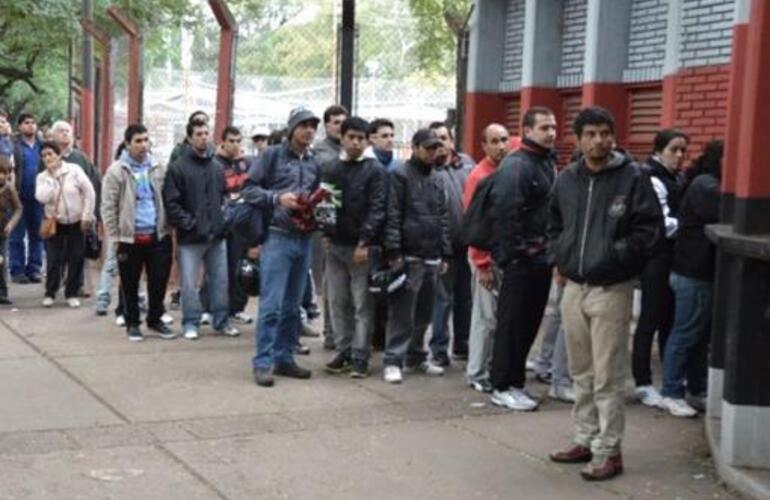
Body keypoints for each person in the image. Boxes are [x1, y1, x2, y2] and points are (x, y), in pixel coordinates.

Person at [547, 106, 662, 481]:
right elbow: (553, 225)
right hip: (573, 286)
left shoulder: (633, 178)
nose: (598, 140)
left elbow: (649, 231)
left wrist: (615, 257)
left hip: (612, 288)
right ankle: (585, 437)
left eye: (604, 133)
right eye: (590, 134)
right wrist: (561, 258)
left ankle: (609, 450)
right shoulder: (566, 179)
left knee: (607, 375)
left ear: (613, 136)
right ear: (578, 140)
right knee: (581, 371)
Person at [242, 106, 321, 388]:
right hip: (277, 237)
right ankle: (263, 362)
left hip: (304, 238)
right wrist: (278, 198)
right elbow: (248, 189)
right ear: (291, 128)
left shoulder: (314, 162)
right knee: (272, 305)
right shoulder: (271, 156)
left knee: (292, 307)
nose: (309, 130)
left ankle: (284, 357)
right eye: (304, 125)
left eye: (313, 125)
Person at [485, 107, 557, 412]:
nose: (551, 132)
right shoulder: (517, 165)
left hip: (540, 258)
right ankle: (501, 385)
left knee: (528, 324)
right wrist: (516, 254)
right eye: (544, 128)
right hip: (521, 261)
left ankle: (515, 383)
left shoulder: (544, 162)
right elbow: (505, 212)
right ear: (527, 131)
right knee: (511, 324)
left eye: (553, 127)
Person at [381, 128, 451, 384]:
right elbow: (393, 214)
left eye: (436, 148)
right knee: (402, 313)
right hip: (409, 255)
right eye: (428, 147)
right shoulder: (400, 175)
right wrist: (395, 252)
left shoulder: (437, 178)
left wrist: (444, 252)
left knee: (424, 312)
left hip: (431, 255)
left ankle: (417, 355)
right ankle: (393, 360)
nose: (434, 152)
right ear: (415, 147)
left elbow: (442, 217)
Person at [659, 140, 723, 418]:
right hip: (693, 273)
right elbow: (722, 213)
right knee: (686, 334)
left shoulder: (704, 182)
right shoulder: (707, 186)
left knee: (697, 336)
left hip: (695, 272)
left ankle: (695, 390)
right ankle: (671, 392)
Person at [322, 116, 387, 378]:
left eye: (361, 138)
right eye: (352, 137)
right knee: (337, 302)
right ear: (343, 138)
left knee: (362, 305)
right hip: (335, 246)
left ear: (367, 140)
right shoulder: (331, 168)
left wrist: (365, 242)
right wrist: (326, 233)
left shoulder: (375, 170)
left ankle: (360, 356)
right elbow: (325, 202)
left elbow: (377, 208)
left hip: (362, 249)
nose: (356, 143)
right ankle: (344, 351)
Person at [163, 119, 239, 340]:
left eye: (206, 133)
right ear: (189, 137)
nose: (203, 137)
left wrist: (224, 219)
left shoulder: (216, 167)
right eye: (198, 133)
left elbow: (225, 197)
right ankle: (190, 323)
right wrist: (189, 223)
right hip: (191, 237)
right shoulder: (178, 168)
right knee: (188, 283)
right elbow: (171, 202)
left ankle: (222, 321)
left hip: (217, 235)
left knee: (220, 280)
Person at [102, 125, 175, 342]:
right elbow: (108, 207)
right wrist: (115, 238)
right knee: (130, 283)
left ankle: (155, 319)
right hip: (129, 238)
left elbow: (167, 198)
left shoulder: (158, 167)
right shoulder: (117, 171)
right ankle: (133, 323)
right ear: (127, 144)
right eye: (138, 141)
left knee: (159, 281)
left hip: (158, 236)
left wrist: (168, 228)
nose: (143, 145)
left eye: (146, 140)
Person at [633, 129, 689, 408]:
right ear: (659, 150)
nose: (679, 156)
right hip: (656, 256)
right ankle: (642, 382)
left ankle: (671, 376)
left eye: (682, 151)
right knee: (650, 318)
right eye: (674, 149)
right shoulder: (650, 177)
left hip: (674, 256)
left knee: (670, 318)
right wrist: (688, 228)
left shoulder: (676, 177)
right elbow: (661, 221)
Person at [463, 124, 511, 393]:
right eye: (494, 141)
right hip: (484, 257)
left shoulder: (504, 171)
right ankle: (477, 372)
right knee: (485, 318)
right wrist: (481, 264)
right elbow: (475, 224)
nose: (501, 146)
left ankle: (489, 366)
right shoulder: (479, 177)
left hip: (500, 255)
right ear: (483, 145)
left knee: (496, 317)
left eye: (504, 140)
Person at [429, 121, 474, 365]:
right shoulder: (429, 170)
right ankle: (438, 349)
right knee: (442, 299)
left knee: (465, 297)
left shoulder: (466, 164)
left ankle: (463, 344)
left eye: (444, 138)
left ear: (451, 140)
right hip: (441, 247)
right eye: (435, 140)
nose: (441, 144)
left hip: (467, 244)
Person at [35, 141, 96, 308]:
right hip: (55, 222)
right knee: (54, 259)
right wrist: (50, 177)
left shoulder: (74, 170)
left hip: (77, 221)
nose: (48, 158)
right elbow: (42, 197)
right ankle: (50, 292)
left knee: (76, 258)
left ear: (58, 154)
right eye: (44, 155)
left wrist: (87, 215)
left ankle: (71, 293)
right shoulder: (42, 177)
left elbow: (89, 191)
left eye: (51, 154)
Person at [206, 125, 252, 325]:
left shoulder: (244, 164)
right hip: (221, 223)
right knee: (216, 269)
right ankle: (208, 308)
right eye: (231, 140)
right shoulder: (214, 164)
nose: (234, 145)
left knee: (240, 267)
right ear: (222, 141)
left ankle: (236, 308)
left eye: (238, 141)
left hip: (242, 224)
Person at [312, 104, 348, 350]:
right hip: (326, 224)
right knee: (329, 280)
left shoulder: (351, 149)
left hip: (349, 223)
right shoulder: (321, 152)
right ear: (326, 125)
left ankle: (343, 332)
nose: (339, 126)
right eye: (335, 122)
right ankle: (330, 332)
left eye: (342, 122)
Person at [10, 112, 44, 284]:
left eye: (33, 122)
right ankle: (17, 270)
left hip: (39, 198)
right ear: (20, 127)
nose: (30, 125)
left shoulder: (43, 146)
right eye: (26, 123)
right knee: (16, 235)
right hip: (18, 198)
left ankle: (34, 269)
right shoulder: (14, 145)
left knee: (38, 235)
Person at [0, 158, 22, 305]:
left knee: (2, 262)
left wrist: (12, 223)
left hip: (2, 230)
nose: (2, 176)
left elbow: (18, 208)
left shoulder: (9, 189)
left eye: (4, 172)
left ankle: (2, 292)